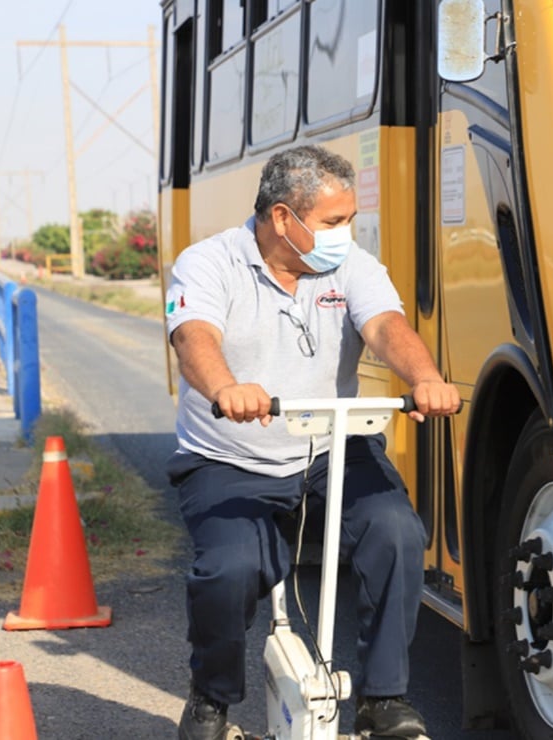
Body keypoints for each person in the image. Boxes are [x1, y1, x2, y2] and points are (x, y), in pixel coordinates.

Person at [164, 144, 461, 740]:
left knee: (397, 532)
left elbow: (385, 325)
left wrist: (423, 377)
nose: (344, 233)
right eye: (332, 222)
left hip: (331, 448)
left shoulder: (349, 266)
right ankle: (211, 701)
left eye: (348, 219)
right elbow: (193, 334)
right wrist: (225, 387)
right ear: (282, 219)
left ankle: (383, 700)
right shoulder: (208, 263)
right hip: (230, 453)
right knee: (230, 568)